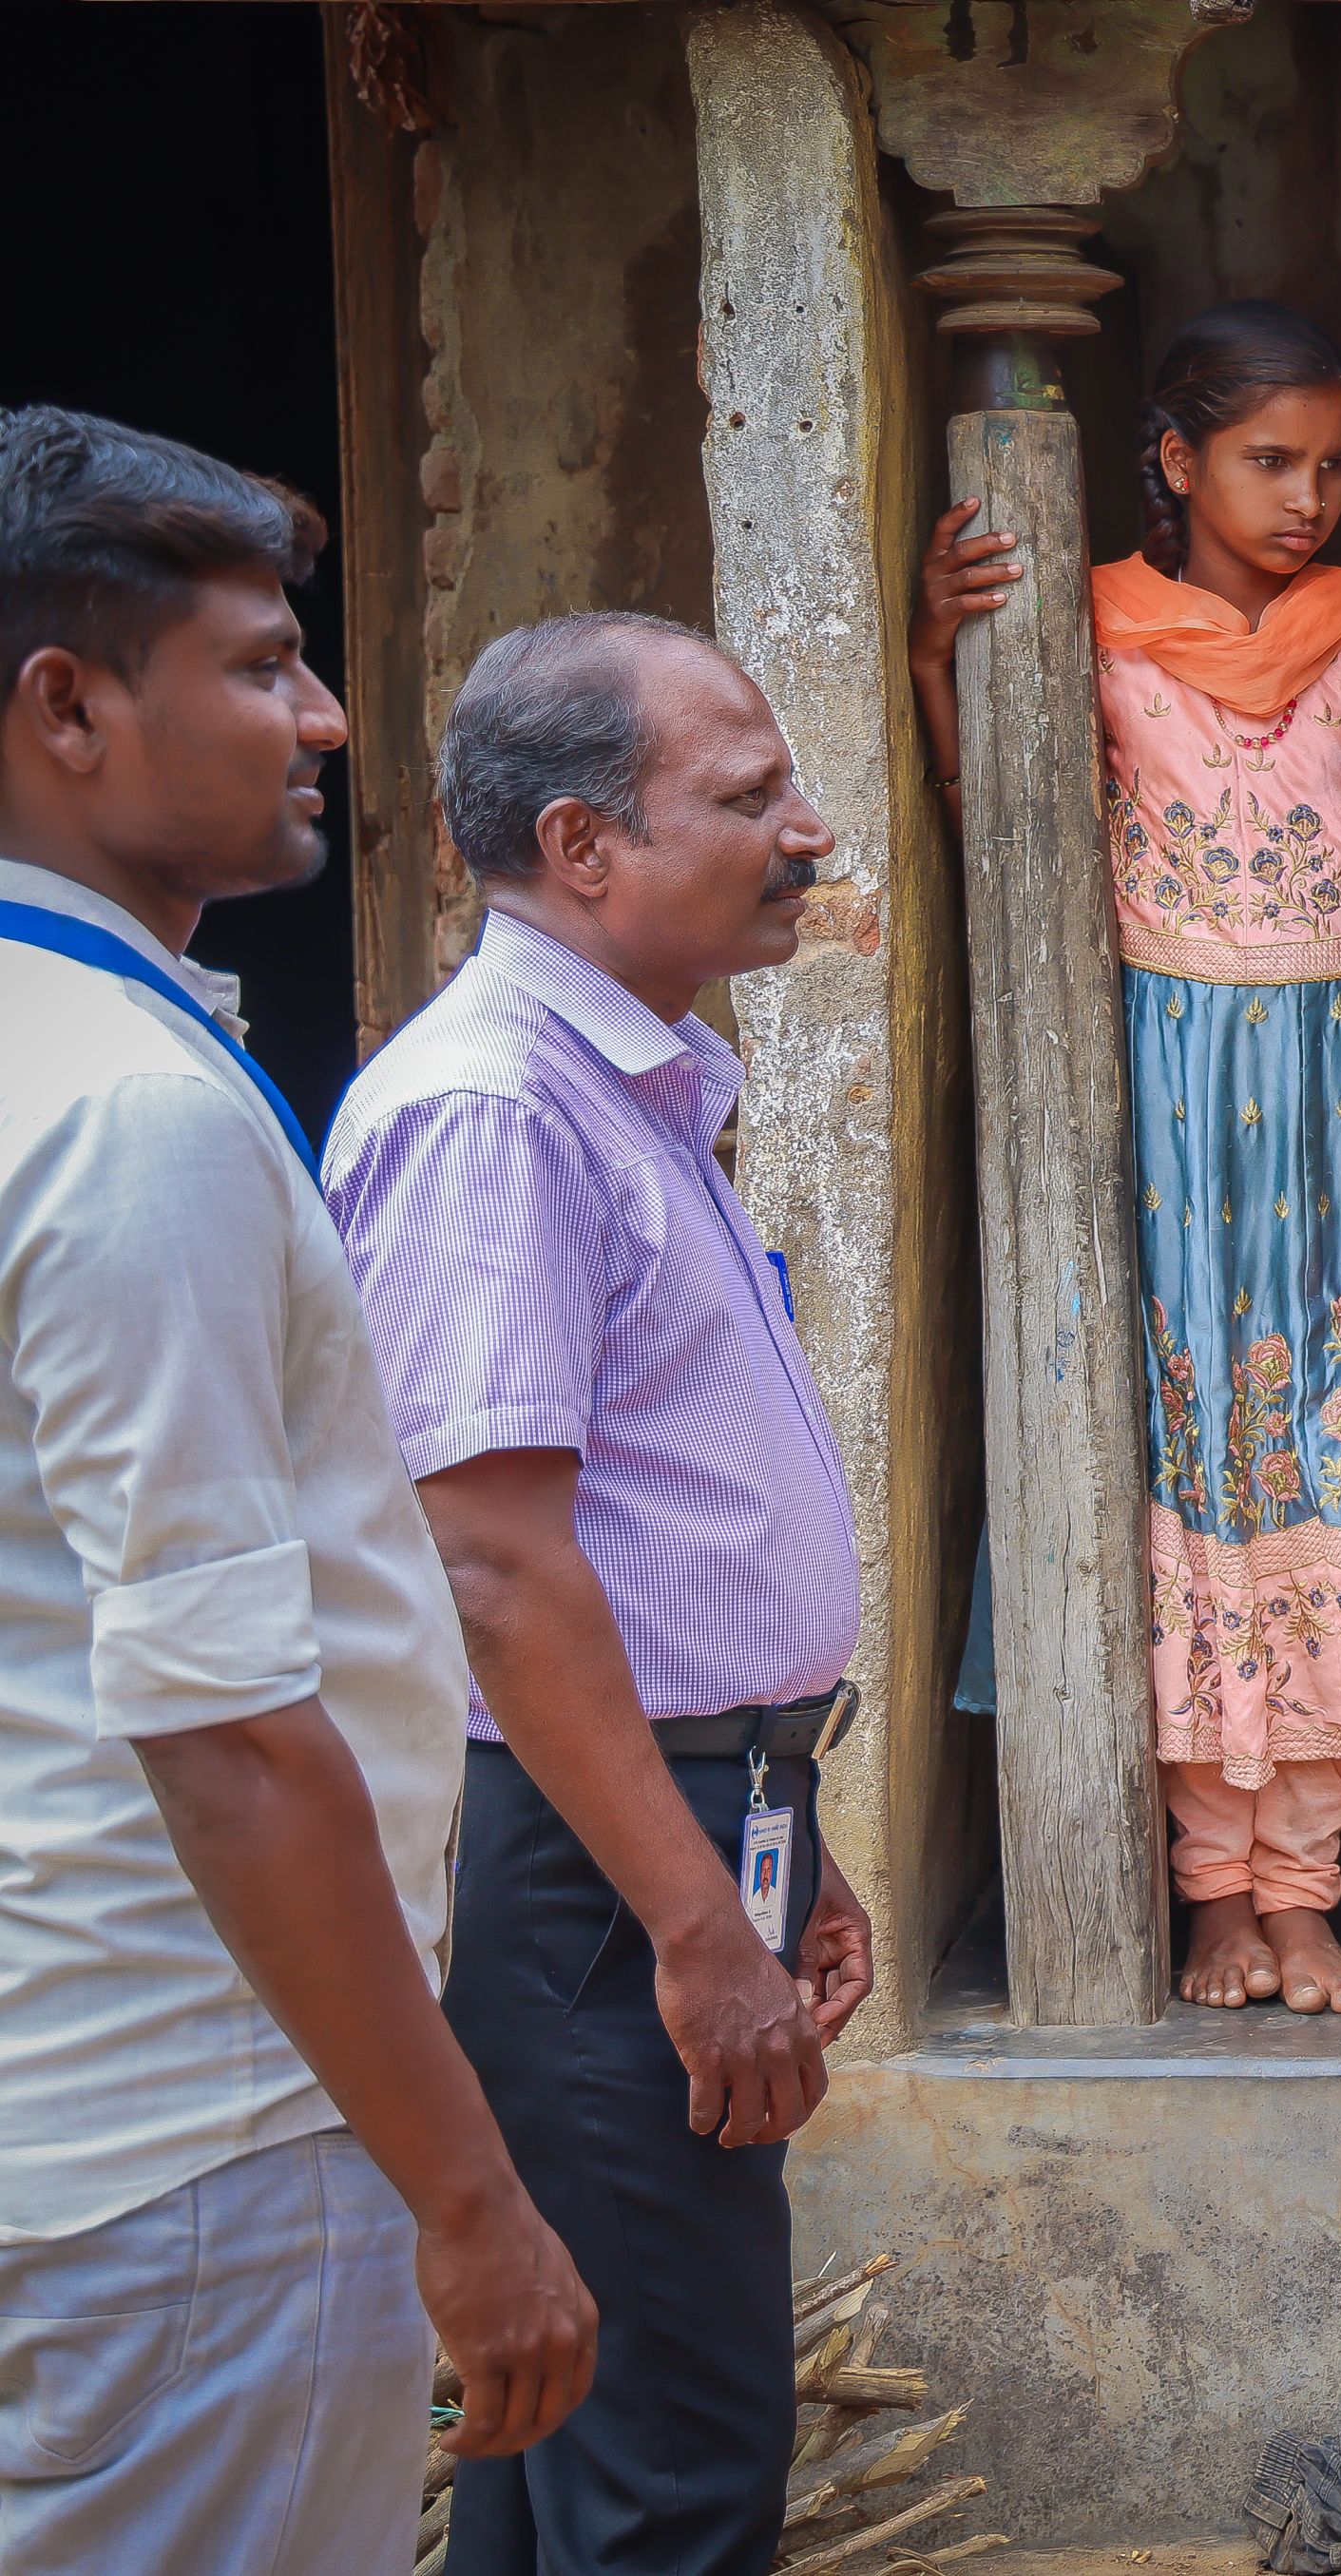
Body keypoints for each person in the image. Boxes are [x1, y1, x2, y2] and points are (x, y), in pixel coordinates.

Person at [0, 408, 593, 2572]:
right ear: (67, 705)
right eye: (260, 665)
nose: (328, 715)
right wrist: (466, 2189)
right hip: (200, 2129)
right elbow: (234, 1733)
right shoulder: (128, 1115)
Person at [912, 299, 1341, 2016]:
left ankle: (1304, 1886)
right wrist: (933, 664)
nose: (1306, 497)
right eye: (1270, 459)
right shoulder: (1094, 626)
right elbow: (1020, 854)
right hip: (1167, 1112)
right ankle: (1213, 1891)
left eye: (1332, 466)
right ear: (1175, 456)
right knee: (1198, 1473)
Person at [329, 610, 879, 2576]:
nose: (805, 826)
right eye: (746, 796)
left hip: (659, 1821)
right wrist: (685, 1912)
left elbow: (632, 1536)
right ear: (580, 847)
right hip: (588, 1869)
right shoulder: (496, 1108)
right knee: (672, 2469)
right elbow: (491, 1562)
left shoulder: (624, 1085)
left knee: (576, 2456)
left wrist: (769, 1831)